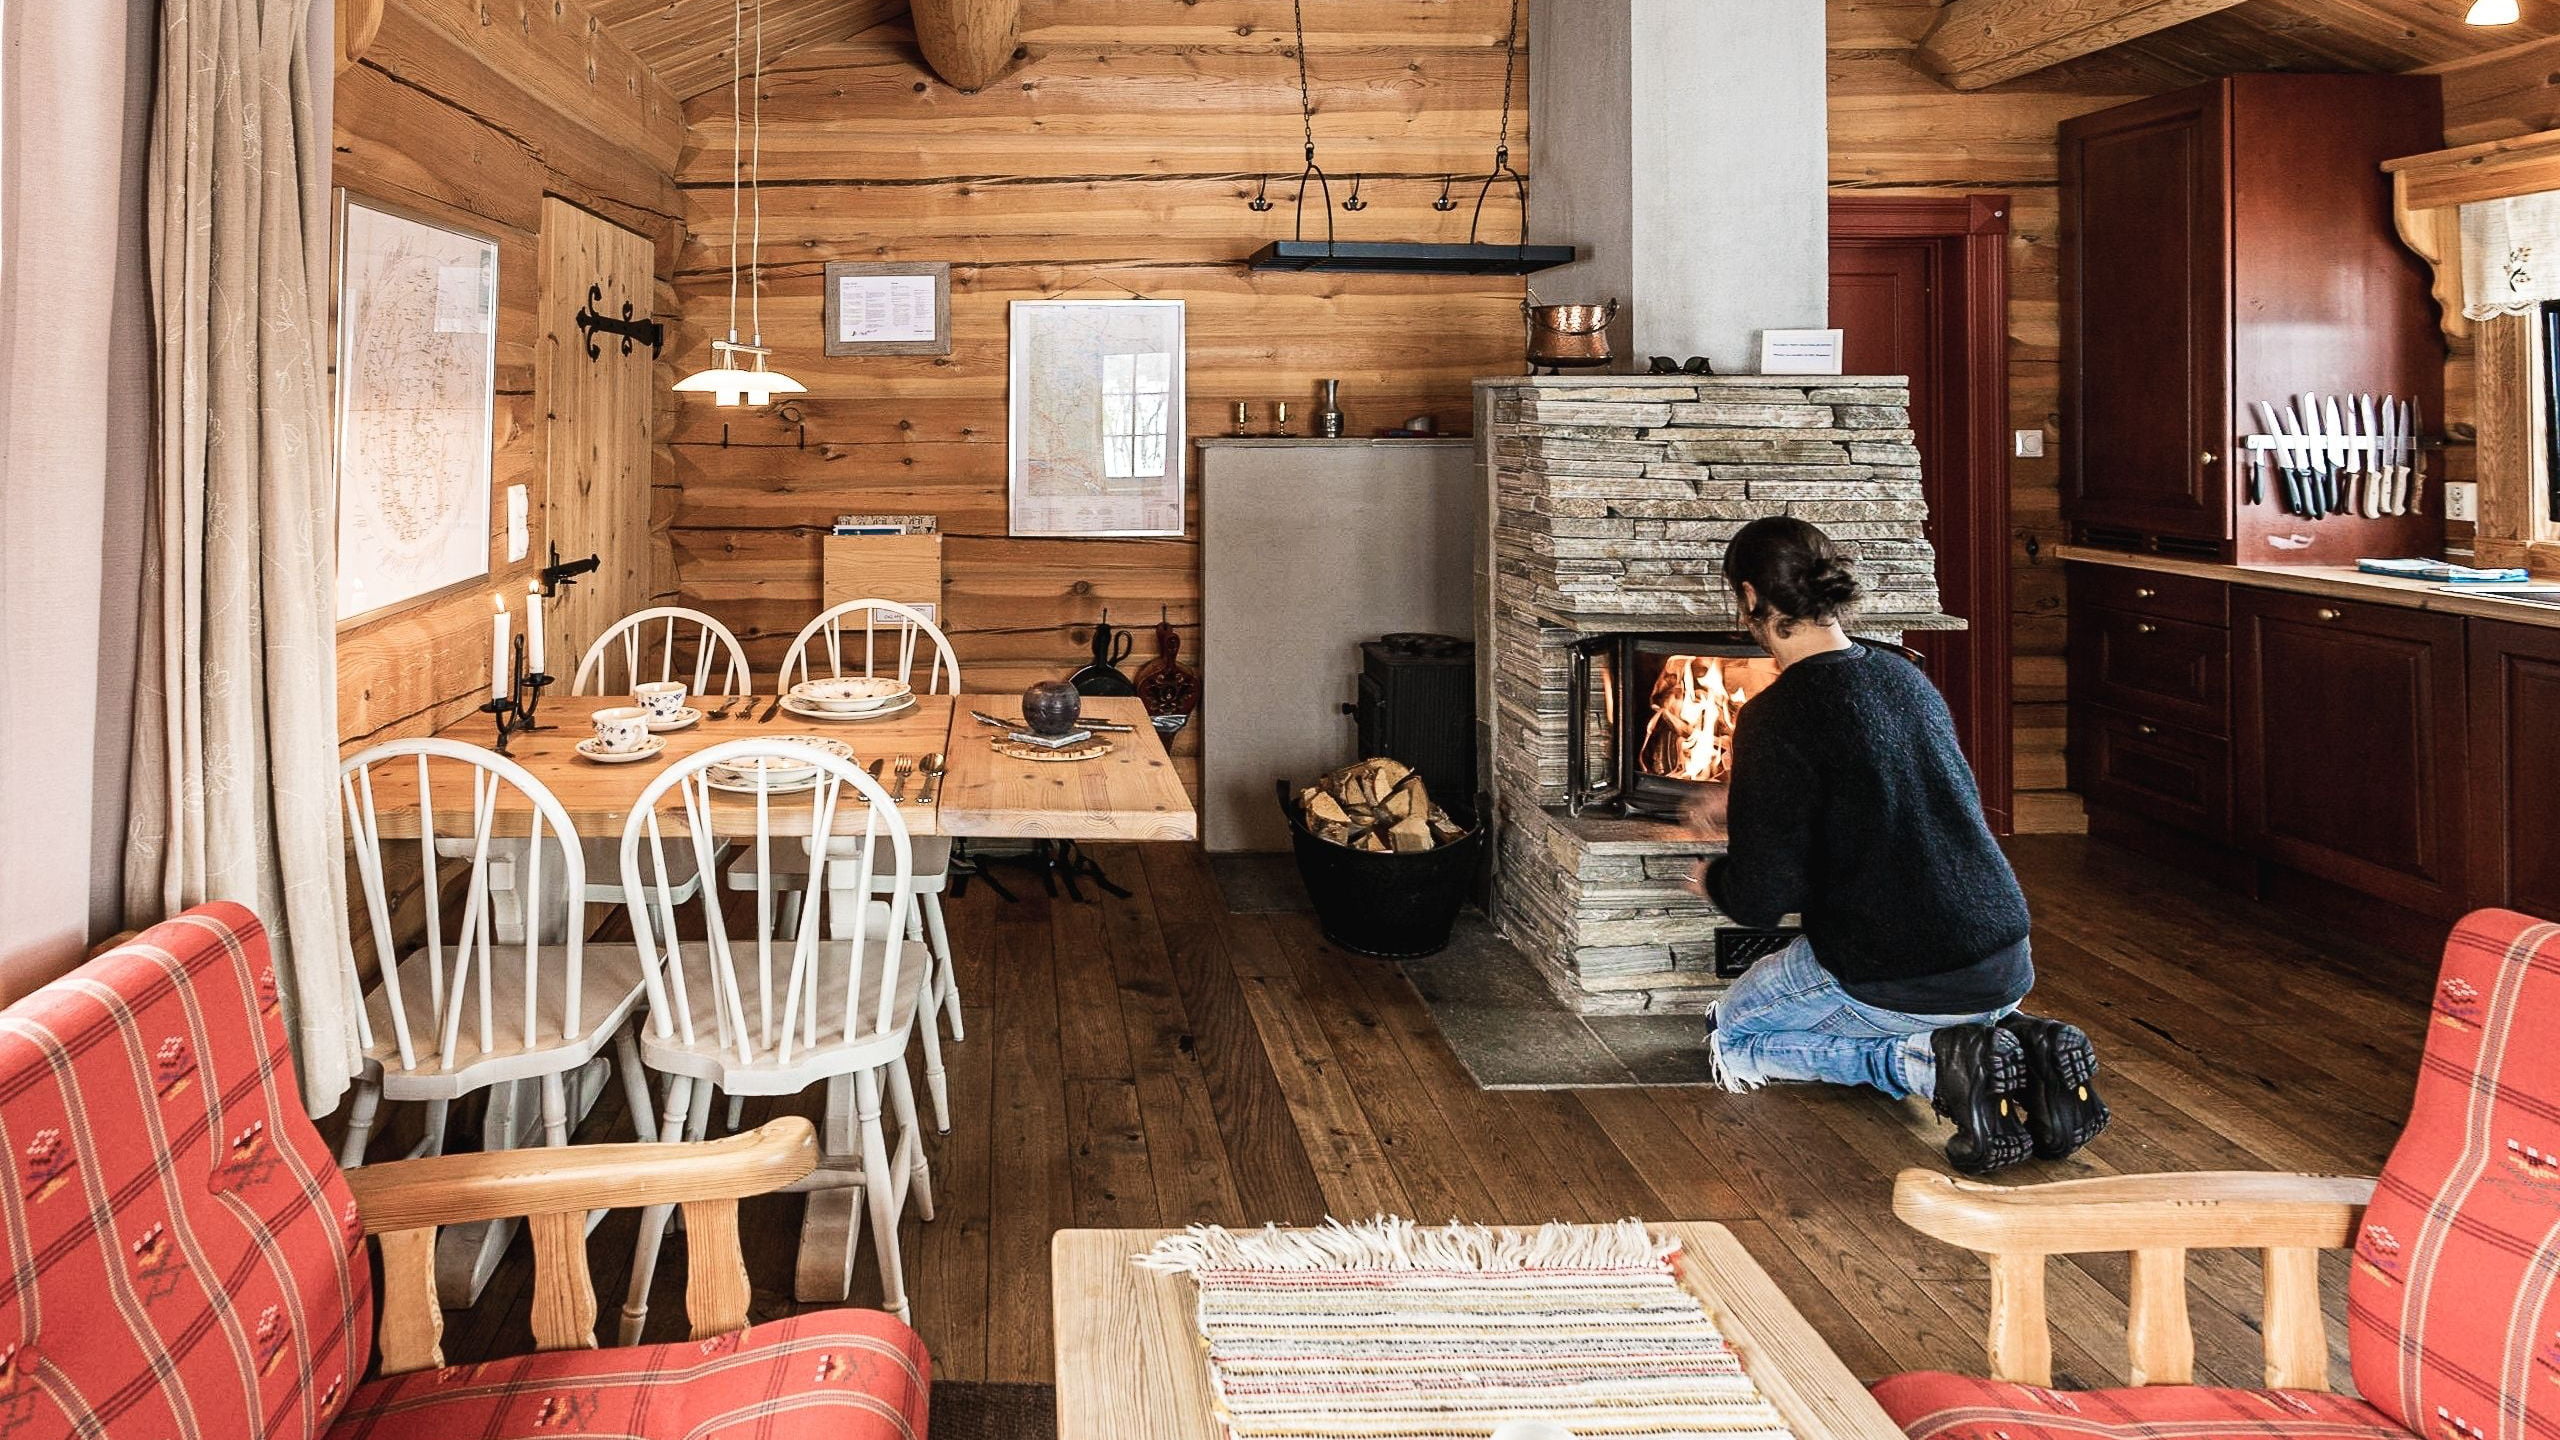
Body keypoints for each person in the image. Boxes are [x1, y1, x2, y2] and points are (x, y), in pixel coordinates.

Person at [1691, 516, 2106, 1174]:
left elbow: (1762, 901)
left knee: (1731, 1036)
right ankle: (2025, 1050)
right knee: (1832, 1003)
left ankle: (1931, 1066)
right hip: (2005, 958)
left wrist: (1713, 873)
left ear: (1749, 598)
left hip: (1901, 970)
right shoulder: (1904, 676)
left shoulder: (1779, 714)